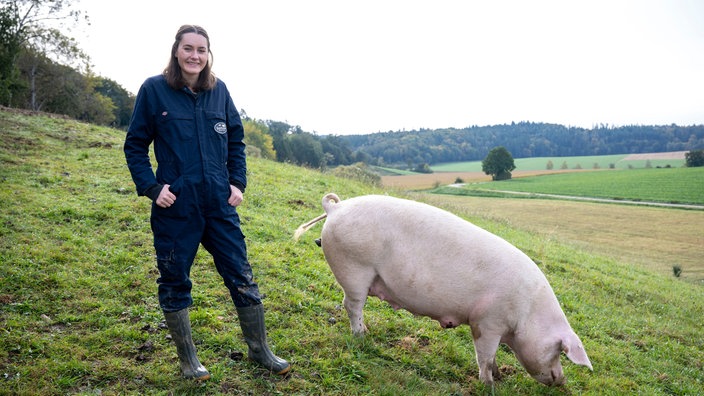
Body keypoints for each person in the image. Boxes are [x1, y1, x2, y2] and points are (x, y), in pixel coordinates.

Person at [124, 24, 290, 380]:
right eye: (188, 48)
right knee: (174, 279)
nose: (194, 56)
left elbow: (236, 142)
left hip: (219, 203)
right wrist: (152, 188)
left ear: (208, 54)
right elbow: (135, 145)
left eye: (201, 49)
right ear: (176, 51)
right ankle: (188, 361)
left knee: (241, 274)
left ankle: (260, 351)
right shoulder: (154, 90)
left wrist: (237, 182)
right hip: (176, 206)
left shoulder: (220, 91)